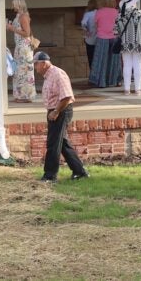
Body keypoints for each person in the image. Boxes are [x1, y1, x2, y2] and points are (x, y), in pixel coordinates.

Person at [34, 51, 88, 183]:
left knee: (53, 143)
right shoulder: (49, 75)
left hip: (61, 110)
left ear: (44, 63)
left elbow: (67, 96)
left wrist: (56, 111)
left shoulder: (58, 74)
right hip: (54, 111)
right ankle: (79, 171)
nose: (35, 67)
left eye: (36, 64)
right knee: (62, 143)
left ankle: (50, 175)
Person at [114, 0, 141, 95]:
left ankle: (127, 89)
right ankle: (137, 89)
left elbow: (115, 31)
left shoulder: (120, 15)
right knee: (138, 66)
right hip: (138, 43)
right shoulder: (140, 13)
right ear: (134, 3)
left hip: (125, 44)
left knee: (126, 65)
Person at [6, 0, 36, 102]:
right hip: (20, 47)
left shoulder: (23, 16)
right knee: (19, 71)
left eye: (14, 4)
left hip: (24, 48)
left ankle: (25, 96)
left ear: (18, 5)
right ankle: (21, 95)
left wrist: (12, 28)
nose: (12, 6)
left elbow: (27, 33)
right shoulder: (18, 16)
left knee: (24, 71)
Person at [88, 0, 119, 88]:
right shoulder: (116, 12)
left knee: (101, 61)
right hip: (114, 38)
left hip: (102, 38)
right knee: (113, 61)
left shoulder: (99, 12)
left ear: (105, 2)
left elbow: (96, 25)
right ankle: (114, 80)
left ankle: (101, 82)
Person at [80, 0, 97, 70]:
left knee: (91, 59)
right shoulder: (99, 13)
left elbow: (83, 23)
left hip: (90, 39)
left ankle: (92, 74)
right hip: (99, 39)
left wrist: (86, 31)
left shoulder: (87, 14)